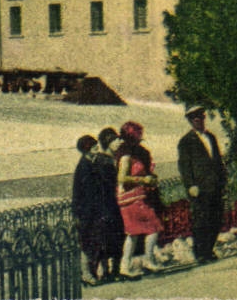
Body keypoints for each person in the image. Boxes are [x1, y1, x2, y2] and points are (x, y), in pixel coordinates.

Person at [115, 121, 168, 276]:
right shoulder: (126, 156)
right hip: (133, 198)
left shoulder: (126, 153)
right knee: (153, 227)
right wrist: (143, 180)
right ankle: (148, 260)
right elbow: (122, 177)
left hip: (128, 198)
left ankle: (125, 267)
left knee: (134, 233)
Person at [177, 106, 228, 264]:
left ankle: (209, 249)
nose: (198, 121)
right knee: (201, 220)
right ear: (191, 121)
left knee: (216, 217)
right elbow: (184, 166)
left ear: (204, 118)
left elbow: (217, 161)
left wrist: (223, 180)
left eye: (200, 117)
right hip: (199, 188)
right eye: (194, 119)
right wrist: (190, 185)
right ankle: (200, 253)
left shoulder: (211, 137)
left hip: (215, 185)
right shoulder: (186, 142)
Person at [71, 135, 111, 284]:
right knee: (87, 244)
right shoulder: (84, 167)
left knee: (95, 242)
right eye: (94, 147)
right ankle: (86, 273)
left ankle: (93, 272)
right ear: (87, 150)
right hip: (87, 213)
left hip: (94, 211)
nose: (97, 148)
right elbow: (82, 194)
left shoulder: (91, 164)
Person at [92, 127, 125, 280]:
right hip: (107, 206)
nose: (119, 142)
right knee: (108, 239)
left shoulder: (110, 159)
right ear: (107, 142)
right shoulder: (103, 161)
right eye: (114, 140)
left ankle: (112, 271)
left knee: (114, 238)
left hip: (111, 205)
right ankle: (107, 272)